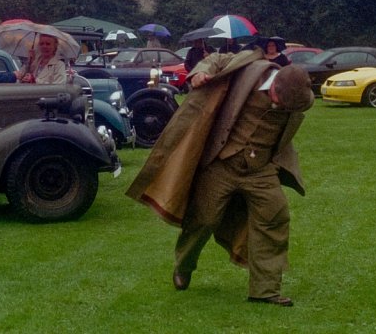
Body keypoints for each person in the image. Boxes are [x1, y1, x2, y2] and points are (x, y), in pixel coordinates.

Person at [126, 45, 315, 307]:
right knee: (203, 220)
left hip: (260, 170)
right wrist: (199, 73)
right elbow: (215, 59)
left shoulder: (298, 96)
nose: (279, 107)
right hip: (221, 164)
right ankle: (184, 265)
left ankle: (265, 290)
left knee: (275, 217)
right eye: (278, 100)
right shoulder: (251, 69)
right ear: (275, 84)